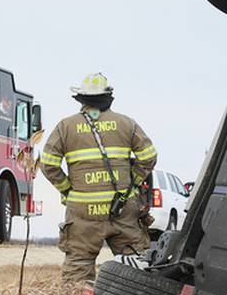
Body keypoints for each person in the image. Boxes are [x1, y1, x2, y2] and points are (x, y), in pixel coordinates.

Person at [39, 73, 157, 284]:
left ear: (81, 99)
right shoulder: (127, 124)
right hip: (123, 209)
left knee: (78, 272)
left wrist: (68, 190)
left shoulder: (65, 127)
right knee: (137, 268)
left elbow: (48, 164)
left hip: (83, 212)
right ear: (108, 97)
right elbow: (149, 157)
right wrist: (133, 183)